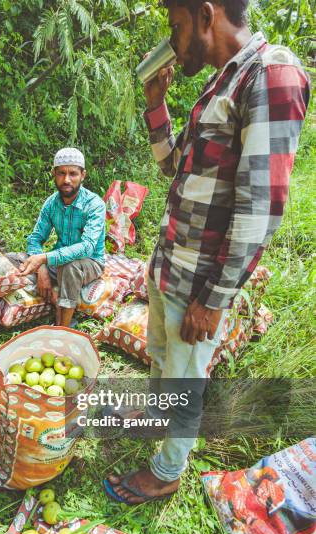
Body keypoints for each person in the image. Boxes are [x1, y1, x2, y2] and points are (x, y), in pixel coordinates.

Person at [105, 0, 310, 504]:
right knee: (161, 360)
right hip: (171, 266)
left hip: (199, 283)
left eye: (175, 27)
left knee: (185, 379)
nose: (173, 42)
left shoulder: (272, 75)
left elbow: (261, 207)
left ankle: (167, 470)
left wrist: (214, 300)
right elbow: (173, 166)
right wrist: (157, 105)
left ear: (205, 14)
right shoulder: (221, 82)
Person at [16, 147, 106, 327]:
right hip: (56, 262)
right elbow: (35, 239)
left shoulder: (95, 204)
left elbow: (87, 247)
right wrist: (41, 267)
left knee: (69, 266)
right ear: (53, 174)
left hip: (89, 262)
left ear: (83, 175)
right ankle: (55, 300)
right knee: (15, 259)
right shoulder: (51, 203)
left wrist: (44, 258)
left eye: (73, 174)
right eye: (61, 173)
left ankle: (63, 327)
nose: (66, 180)